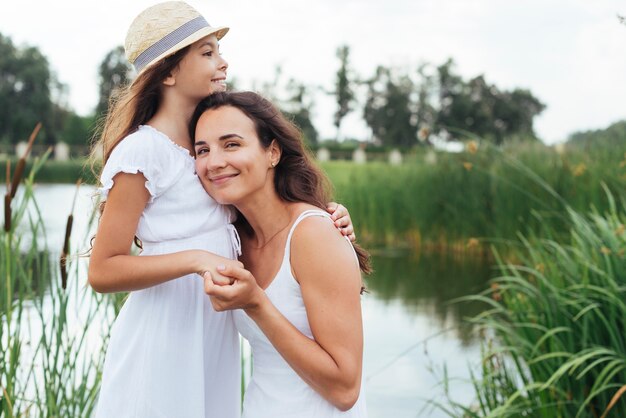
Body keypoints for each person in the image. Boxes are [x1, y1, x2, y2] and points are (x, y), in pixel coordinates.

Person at [88, 3, 354, 417]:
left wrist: (325, 215)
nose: (223, 62)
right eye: (208, 52)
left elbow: (259, 217)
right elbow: (102, 270)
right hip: (164, 337)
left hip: (213, 336)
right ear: (170, 72)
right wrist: (197, 260)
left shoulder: (204, 148)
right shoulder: (143, 150)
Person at [190, 91, 371, 418]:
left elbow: (345, 390)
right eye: (202, 149)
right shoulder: (229, 237)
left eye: (231, 144)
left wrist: (256, 303)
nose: (214, 162)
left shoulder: (313, 235)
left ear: (272, 152)